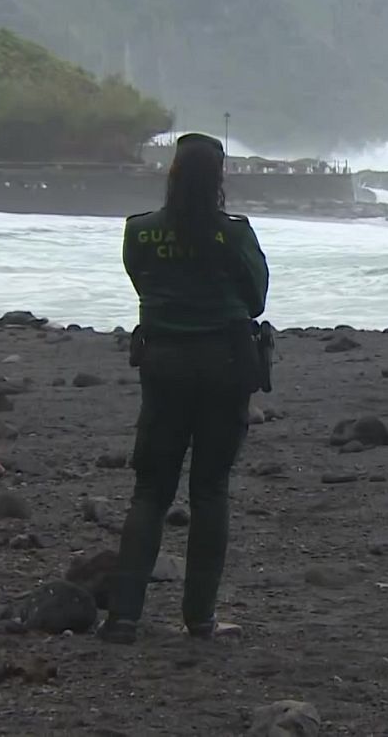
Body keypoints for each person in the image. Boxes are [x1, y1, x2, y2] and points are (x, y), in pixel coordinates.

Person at [99, 132, 270, 644]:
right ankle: (200, 617)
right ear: (219, 178)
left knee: (150, 489)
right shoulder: (233, 234)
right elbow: (256, 299)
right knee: (210, 489)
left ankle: (124, 616)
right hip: (225, 363)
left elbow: (142, 283)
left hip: (164, 363)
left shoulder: (140, 231)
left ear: (171, 173)